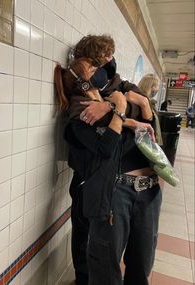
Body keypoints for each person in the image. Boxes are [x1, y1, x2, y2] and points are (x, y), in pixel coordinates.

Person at [54, 56, 162, 285]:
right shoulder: (81, 115)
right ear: (84, 84)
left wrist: (138, 107)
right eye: (93, 68)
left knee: (142, 265)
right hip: (116, 193)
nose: (100, 71)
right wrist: (120, 110)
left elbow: (151, 137)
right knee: (105, 270)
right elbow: (107, 147)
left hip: (149, 193)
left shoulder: (114, 97)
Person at [138, 73, 163, 145]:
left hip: (145, 140)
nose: (157, 89)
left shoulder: (149, 101)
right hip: (143, 141)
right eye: (156, 87)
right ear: (150, 86)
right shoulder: (143, 101)